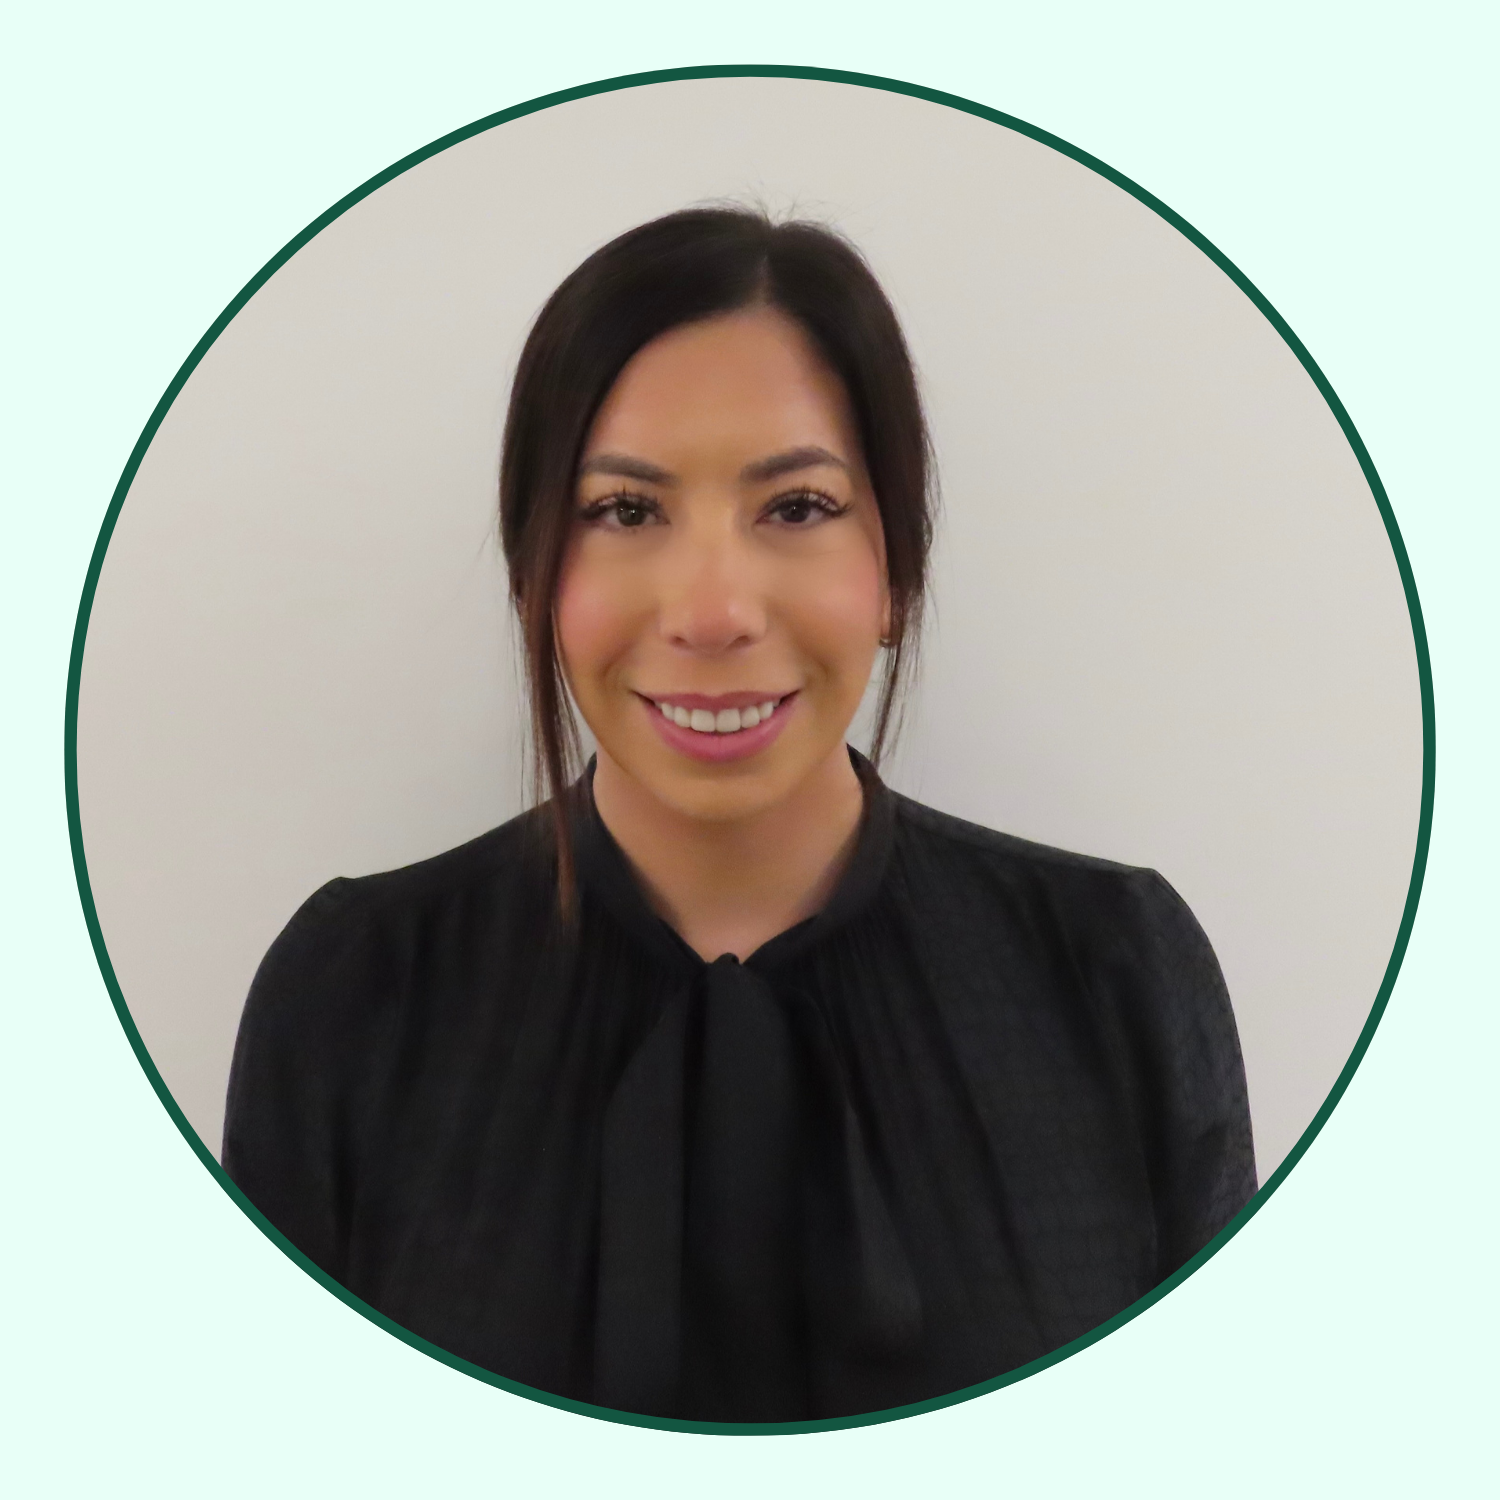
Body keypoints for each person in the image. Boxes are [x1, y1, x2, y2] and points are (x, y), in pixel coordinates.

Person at [223, 206, 1256, 1423]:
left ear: (897, 575)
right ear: (535, 571)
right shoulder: (355, 998)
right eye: (625, 511)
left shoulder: (1115, 972)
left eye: (798, 508)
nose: (712, 612)